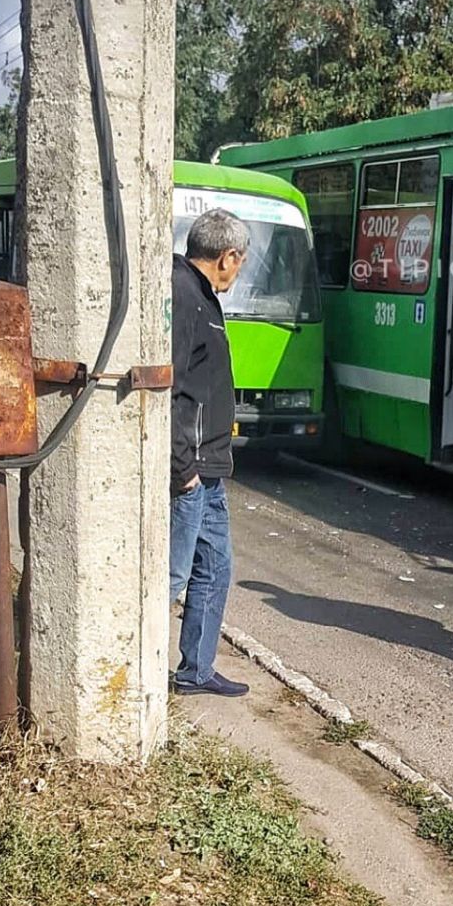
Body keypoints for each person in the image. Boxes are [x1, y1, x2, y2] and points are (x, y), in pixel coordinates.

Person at [169, 208, 250, 697]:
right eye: (239, 263)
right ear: (227, 257)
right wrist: (183, 470)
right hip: (190, 469)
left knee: (215, 568)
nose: (237, 272)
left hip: (209, 467)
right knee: (171, 575)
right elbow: (171, 388)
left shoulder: (201, 296)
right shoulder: (185, 296)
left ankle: (196, 670)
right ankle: (139, 673)